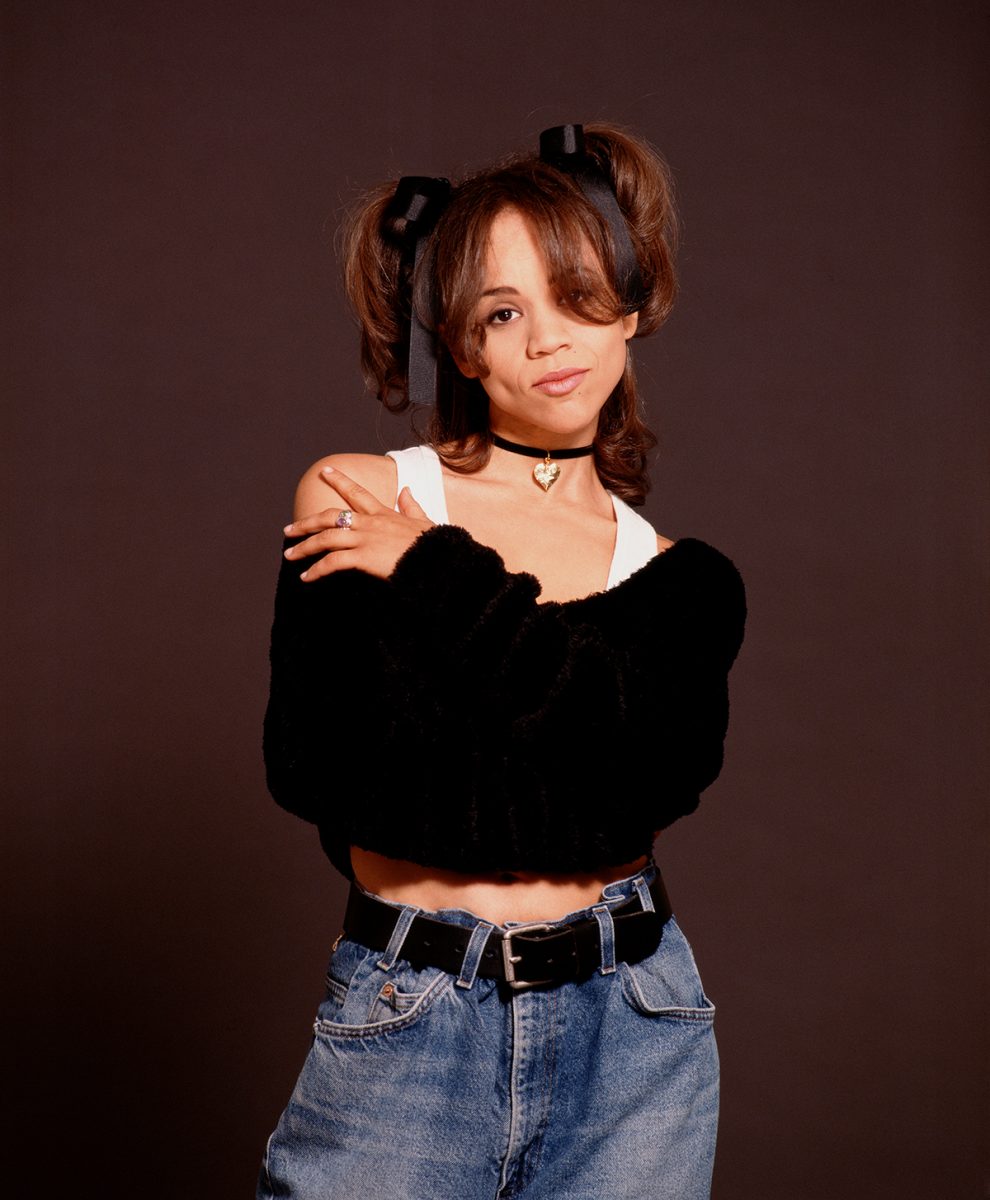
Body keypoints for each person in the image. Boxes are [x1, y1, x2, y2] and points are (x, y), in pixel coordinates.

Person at [257, 123, 746, 1200]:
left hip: (636, 1025)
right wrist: (569, 734)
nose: (549, 340)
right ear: (463, 347)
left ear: (631, 306)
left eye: (578, 295)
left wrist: (433, 574)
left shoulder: (682, 579)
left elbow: (648, 780)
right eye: (503, 312)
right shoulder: (357, 494)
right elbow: (327, 769)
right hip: (413, 1016)